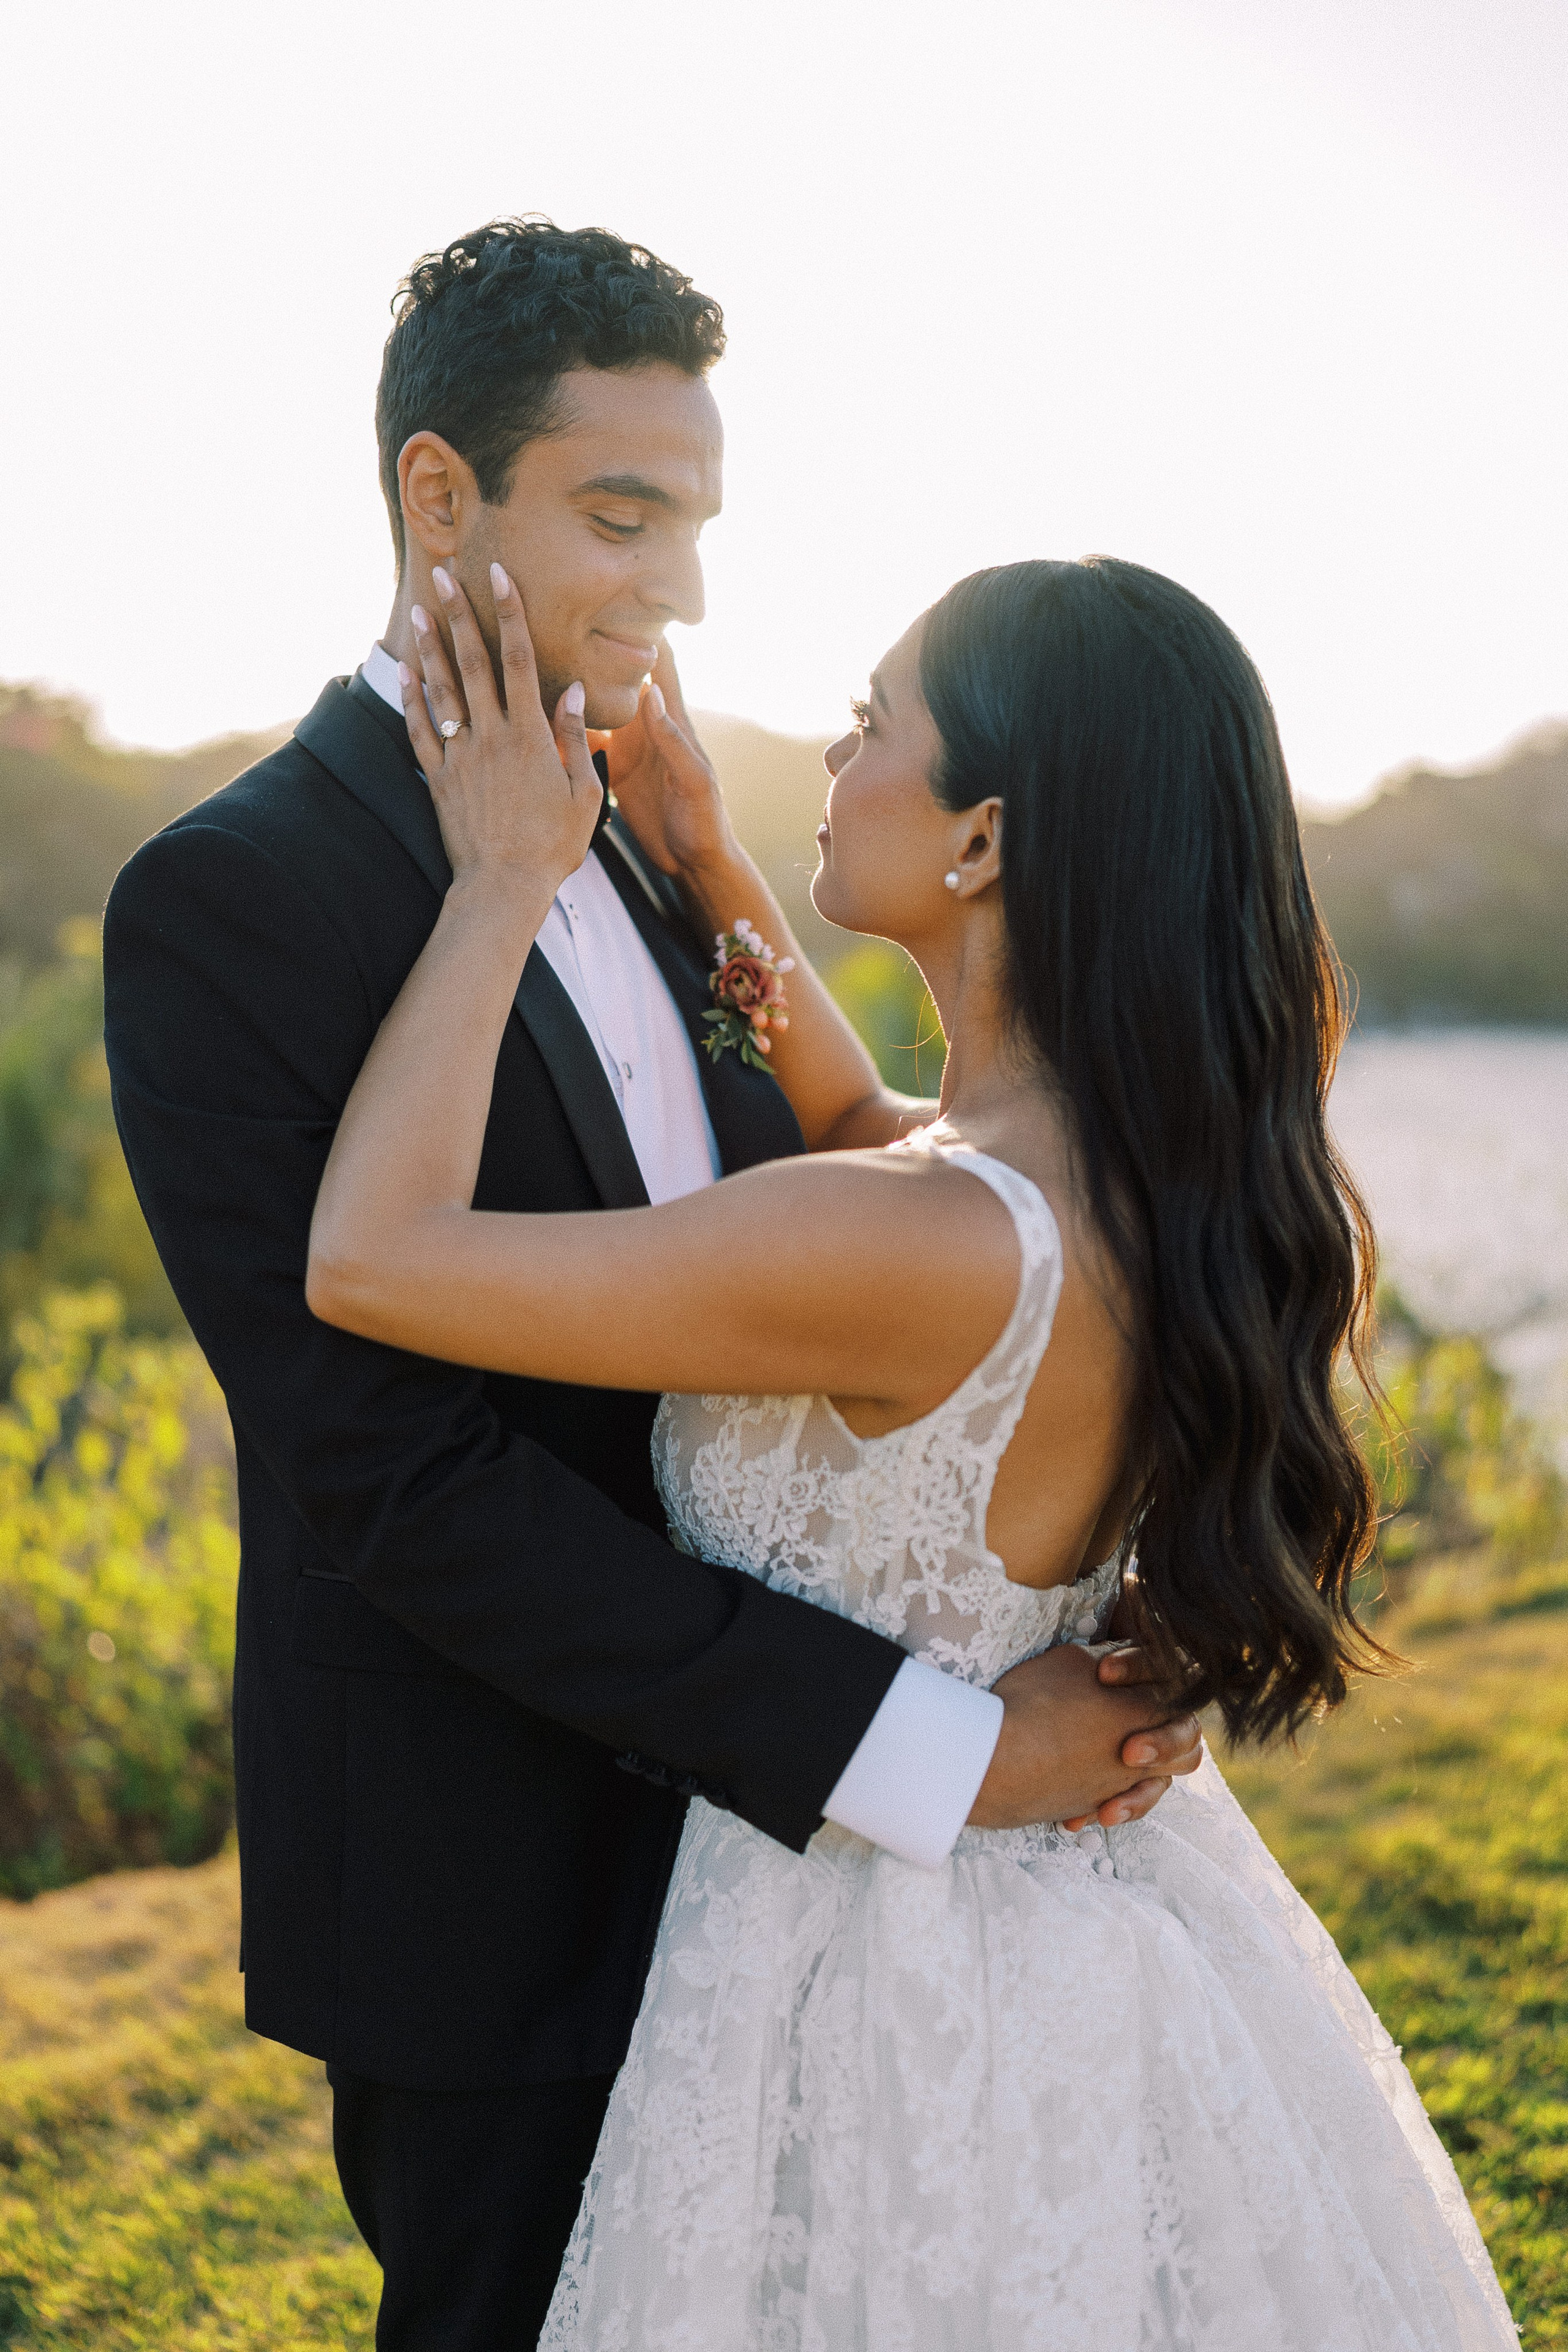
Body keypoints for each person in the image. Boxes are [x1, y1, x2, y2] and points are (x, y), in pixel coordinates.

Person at [100, 220, 1200, 2351]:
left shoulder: (636, 832)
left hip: (803, 1896)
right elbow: (390, 1480)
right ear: (441, 496)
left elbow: (863, 1217)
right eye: (622, 515)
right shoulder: (227, 905)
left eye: (694, 520)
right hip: (494, 1887)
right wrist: (932, 1750)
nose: (677, 588)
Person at [306, 552, 1520, 2349]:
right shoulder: (1121, 1169)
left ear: (984, 840)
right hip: (1081, 1936)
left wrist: (503, 884)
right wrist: (714, 854)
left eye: (873, 722)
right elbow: (877, 1127)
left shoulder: (911, 1243)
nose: (834, 745)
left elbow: (371, 1258)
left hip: (869, 1981)